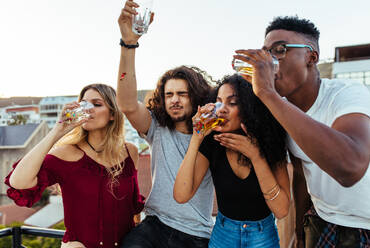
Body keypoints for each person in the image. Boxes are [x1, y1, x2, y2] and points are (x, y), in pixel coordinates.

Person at [234, 16, 370, 247]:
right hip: (323, 220)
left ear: (311, 56)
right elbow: (301, 172)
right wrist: (299, 232)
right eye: (266, 53)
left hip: (366, 224)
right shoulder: (282, 108)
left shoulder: (346, 94)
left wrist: (268, 93)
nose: (270, 61)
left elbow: (350, 167)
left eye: (280, 50)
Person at [116, 1, 215, 247]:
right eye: (169, 94)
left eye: (182, 94)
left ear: (197, 96)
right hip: (155, 225)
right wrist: (129, 44)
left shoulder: (212, 134)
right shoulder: (157, 128)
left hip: (196, 234)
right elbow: (127, 104)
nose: (174, 100)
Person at [5, 84, 144, 248]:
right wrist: (58, 130)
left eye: (97, 104)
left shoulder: (130, 151)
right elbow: (19, 182)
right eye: (84, 104)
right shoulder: (66, 153)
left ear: (113, 114)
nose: (88, 109)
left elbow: (133, 207)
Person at [174, 74, 290, 248]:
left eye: (232, 103)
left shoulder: (270, 143)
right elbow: (181, 195)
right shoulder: (212, 142)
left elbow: (281, 210)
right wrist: (196, 139)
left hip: (263, 237)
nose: (221, 109)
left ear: (251, 108)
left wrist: (256, 156)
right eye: (219, 101)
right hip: (223, 235)